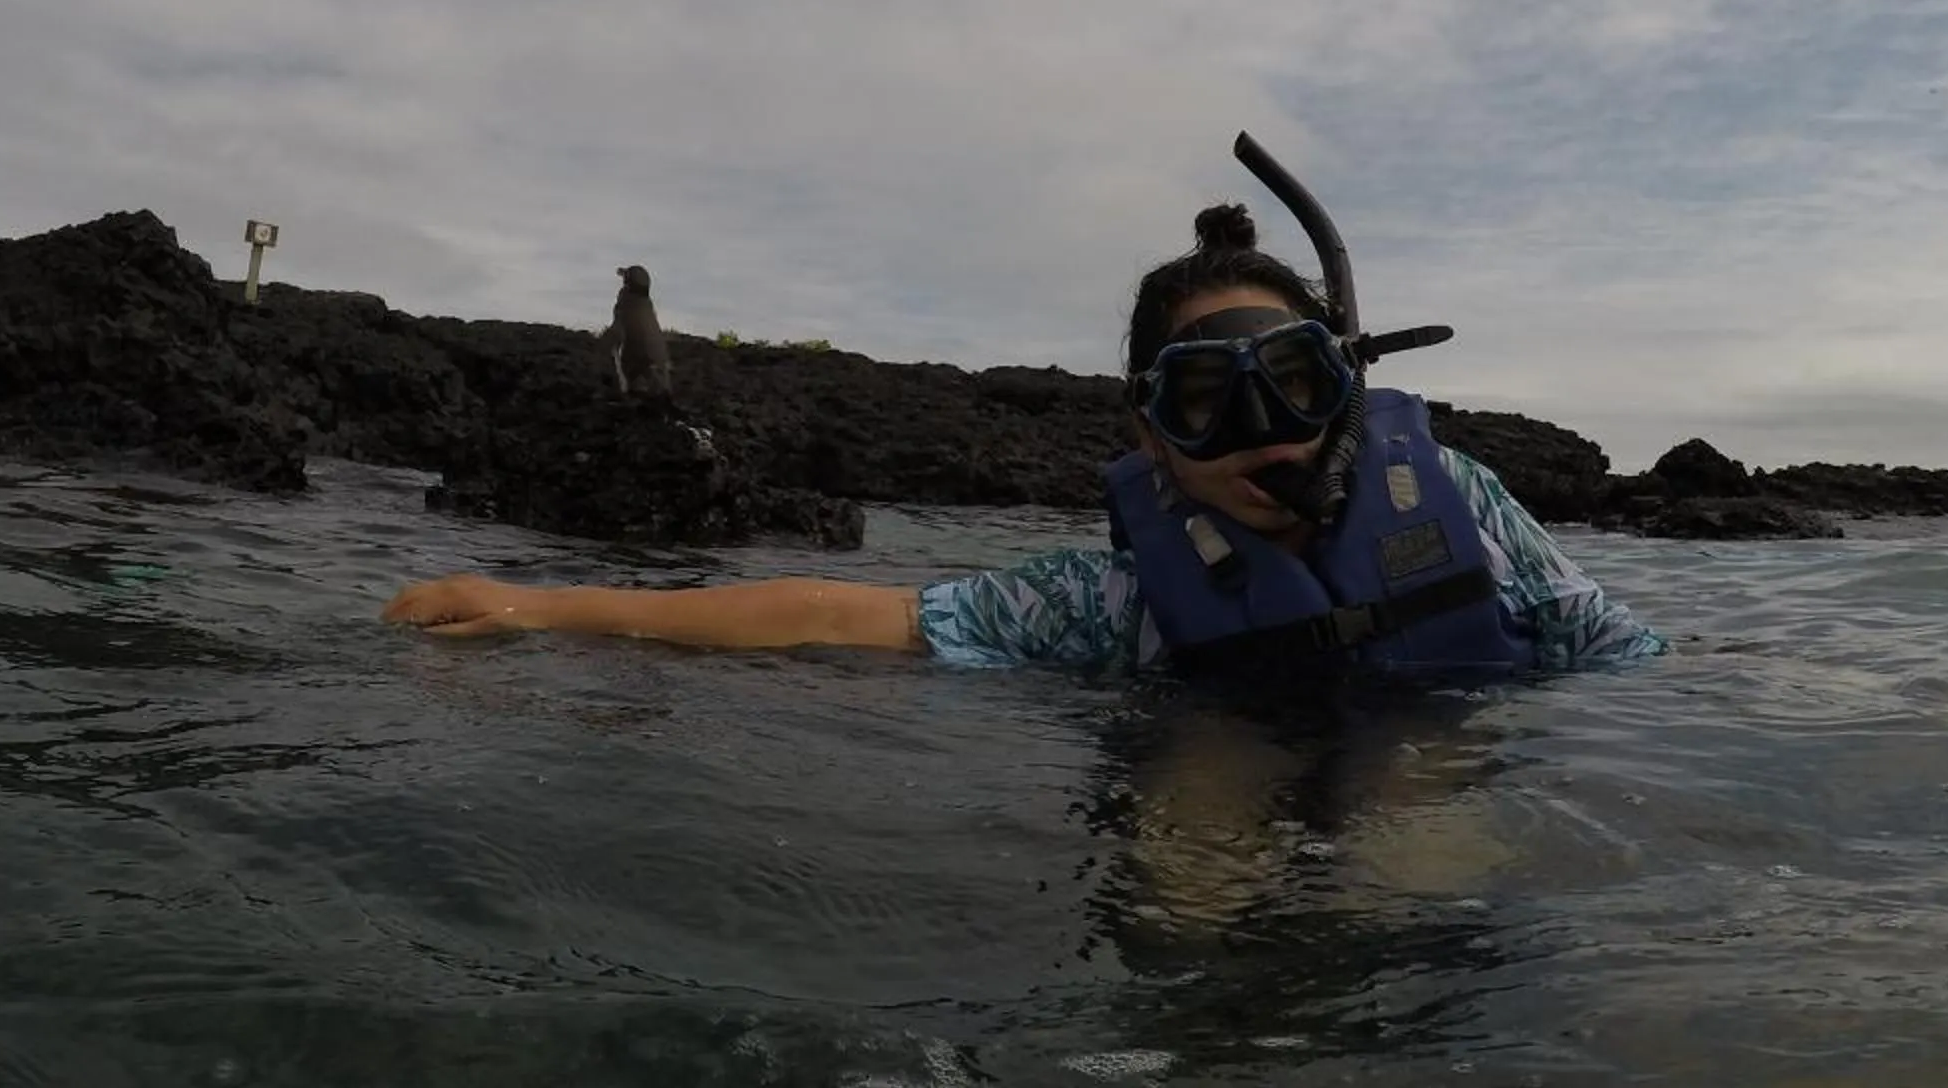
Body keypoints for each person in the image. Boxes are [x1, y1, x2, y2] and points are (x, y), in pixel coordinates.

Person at [384, 136, 1667, 681]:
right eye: (1211, 401)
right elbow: (841, 611)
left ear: (1351, 389)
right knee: (1193, 873)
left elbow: (1616, 650)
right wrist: (536, 605)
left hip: (1438, 763)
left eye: (1302, 385)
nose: (1270, 430)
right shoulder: (1109, 603)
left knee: (1429, 841)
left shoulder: (1473, 514)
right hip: (1207, 760)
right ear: (1151, 440)